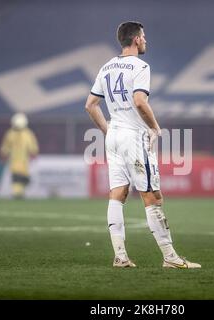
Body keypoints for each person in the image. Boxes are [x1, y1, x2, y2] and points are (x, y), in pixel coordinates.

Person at [85, 21, 201, 269]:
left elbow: (90, 104)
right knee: (153, 196)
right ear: (136, 39)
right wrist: (155, 128)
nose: (146, 40)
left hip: (114, 135)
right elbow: (139, 101)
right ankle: (170, 257)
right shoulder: (141, 66)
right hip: (133, 137)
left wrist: (108, 130)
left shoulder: (106, 67)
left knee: (118, 193)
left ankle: (120, 256)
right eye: (144, 37)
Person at [0, 112, 39, 198]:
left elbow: (32, 147)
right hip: (15, 160)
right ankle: (17, 193)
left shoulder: (26, 133)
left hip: (24, 160)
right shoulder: (12, 134)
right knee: (16, 177)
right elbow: (5, 147)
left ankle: (20, 192)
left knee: (23, 178)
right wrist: (4, 156)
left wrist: (33, 154)